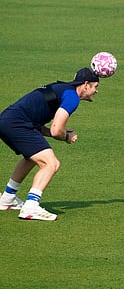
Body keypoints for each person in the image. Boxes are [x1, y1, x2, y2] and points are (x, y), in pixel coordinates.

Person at [0, 68, 100, 221]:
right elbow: (56, 130)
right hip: (18, 124)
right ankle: (31, 207)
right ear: (86, 84)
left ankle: (7, 198)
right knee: (51, 164)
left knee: (32, 157)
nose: (96, 91)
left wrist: (60, 131)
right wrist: (66, 136)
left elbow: (40, 124)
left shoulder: (62, 89)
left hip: (8, 121)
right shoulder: (72, 97)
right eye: (95, 87)